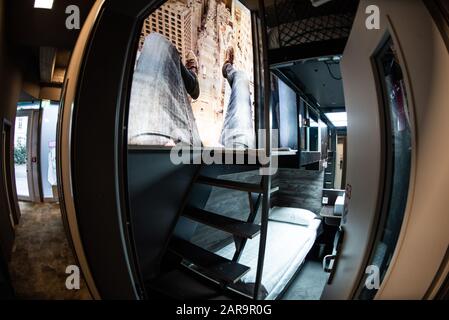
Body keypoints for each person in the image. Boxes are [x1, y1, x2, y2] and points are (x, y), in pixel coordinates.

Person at [128, 33, 255, 149]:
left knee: (153, 47)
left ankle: (193, 79)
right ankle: (225, 68)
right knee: (242, 77)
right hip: (233, 156)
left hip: (160, 147)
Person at [128, 33, 202, 146]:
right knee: (157, 42)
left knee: (141, 59)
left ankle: (190, 86)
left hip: (135, 138)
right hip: (167, 145)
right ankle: (192, 81)